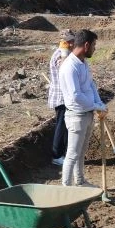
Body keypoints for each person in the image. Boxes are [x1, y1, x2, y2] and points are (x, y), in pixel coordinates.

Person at [58, 29, 107, 187]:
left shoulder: (83, 63)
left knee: (81, 153)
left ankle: (79, 181)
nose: (94, 48)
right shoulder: (69, 67)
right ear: (86, 45)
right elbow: (75, 96)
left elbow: (90, 85)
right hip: (76, 116)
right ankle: (66, 188)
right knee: (72, 154)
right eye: (93, 45)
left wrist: (99, 104)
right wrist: (94, 105)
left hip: (87, 114)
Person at [47, 29, 75, 166]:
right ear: (68, 42)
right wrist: (65, 54)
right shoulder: (60, 54)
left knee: (64, 125)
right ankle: (57, 156)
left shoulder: (66, 52)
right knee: (61, 126)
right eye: (72, 42)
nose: (74, 44)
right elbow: (63, 69)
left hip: (64, 96)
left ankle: (62, 154)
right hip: (61, 97)